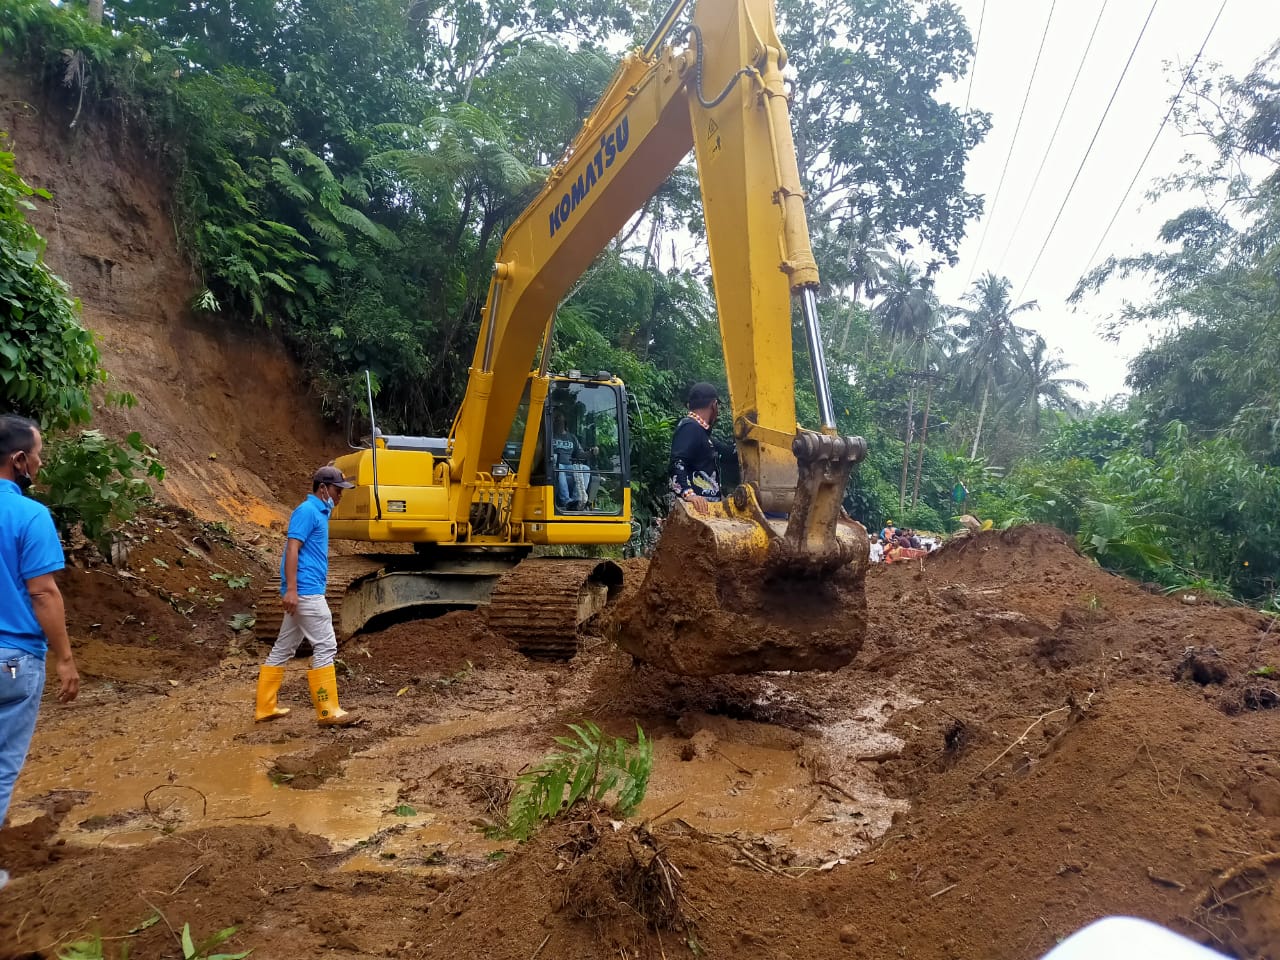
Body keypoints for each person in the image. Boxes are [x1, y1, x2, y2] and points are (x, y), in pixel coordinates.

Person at [0, 415, 79, 889]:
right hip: (14, 658)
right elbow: (44, 593)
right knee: (3, 765)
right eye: (38, 453)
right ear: (18, 460)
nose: (41, 461)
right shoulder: (29, 515)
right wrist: (64, 657)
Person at [255, 465, 359, 727]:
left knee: (284, 647)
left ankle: (265, 707)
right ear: (323, 488)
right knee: (326, 646)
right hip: (307, 592)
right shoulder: (307, 511)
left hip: (303, 591)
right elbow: (292, 548)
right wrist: (291, 589)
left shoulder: (319, 512)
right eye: (338, 490)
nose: (340, 496)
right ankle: (328, 711)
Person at [670, 382, 734, 516]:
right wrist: (689, 494)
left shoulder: (702, 434)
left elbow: (728, 453)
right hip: (696, 510)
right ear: (714, 405)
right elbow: (677, 462)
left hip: (704, 509)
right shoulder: (690, 428)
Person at [551, 411, 592, 510]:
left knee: (586, 469)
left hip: (569, 466)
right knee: (559, 468)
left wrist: (591, 452)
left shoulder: (572, 437)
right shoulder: (550, 436)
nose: (558, 422)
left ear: (564, 422)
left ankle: (576, 500)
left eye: (560, 420)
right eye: (556, 420)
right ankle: (566, 501)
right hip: (554, 465)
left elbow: (580, 454)